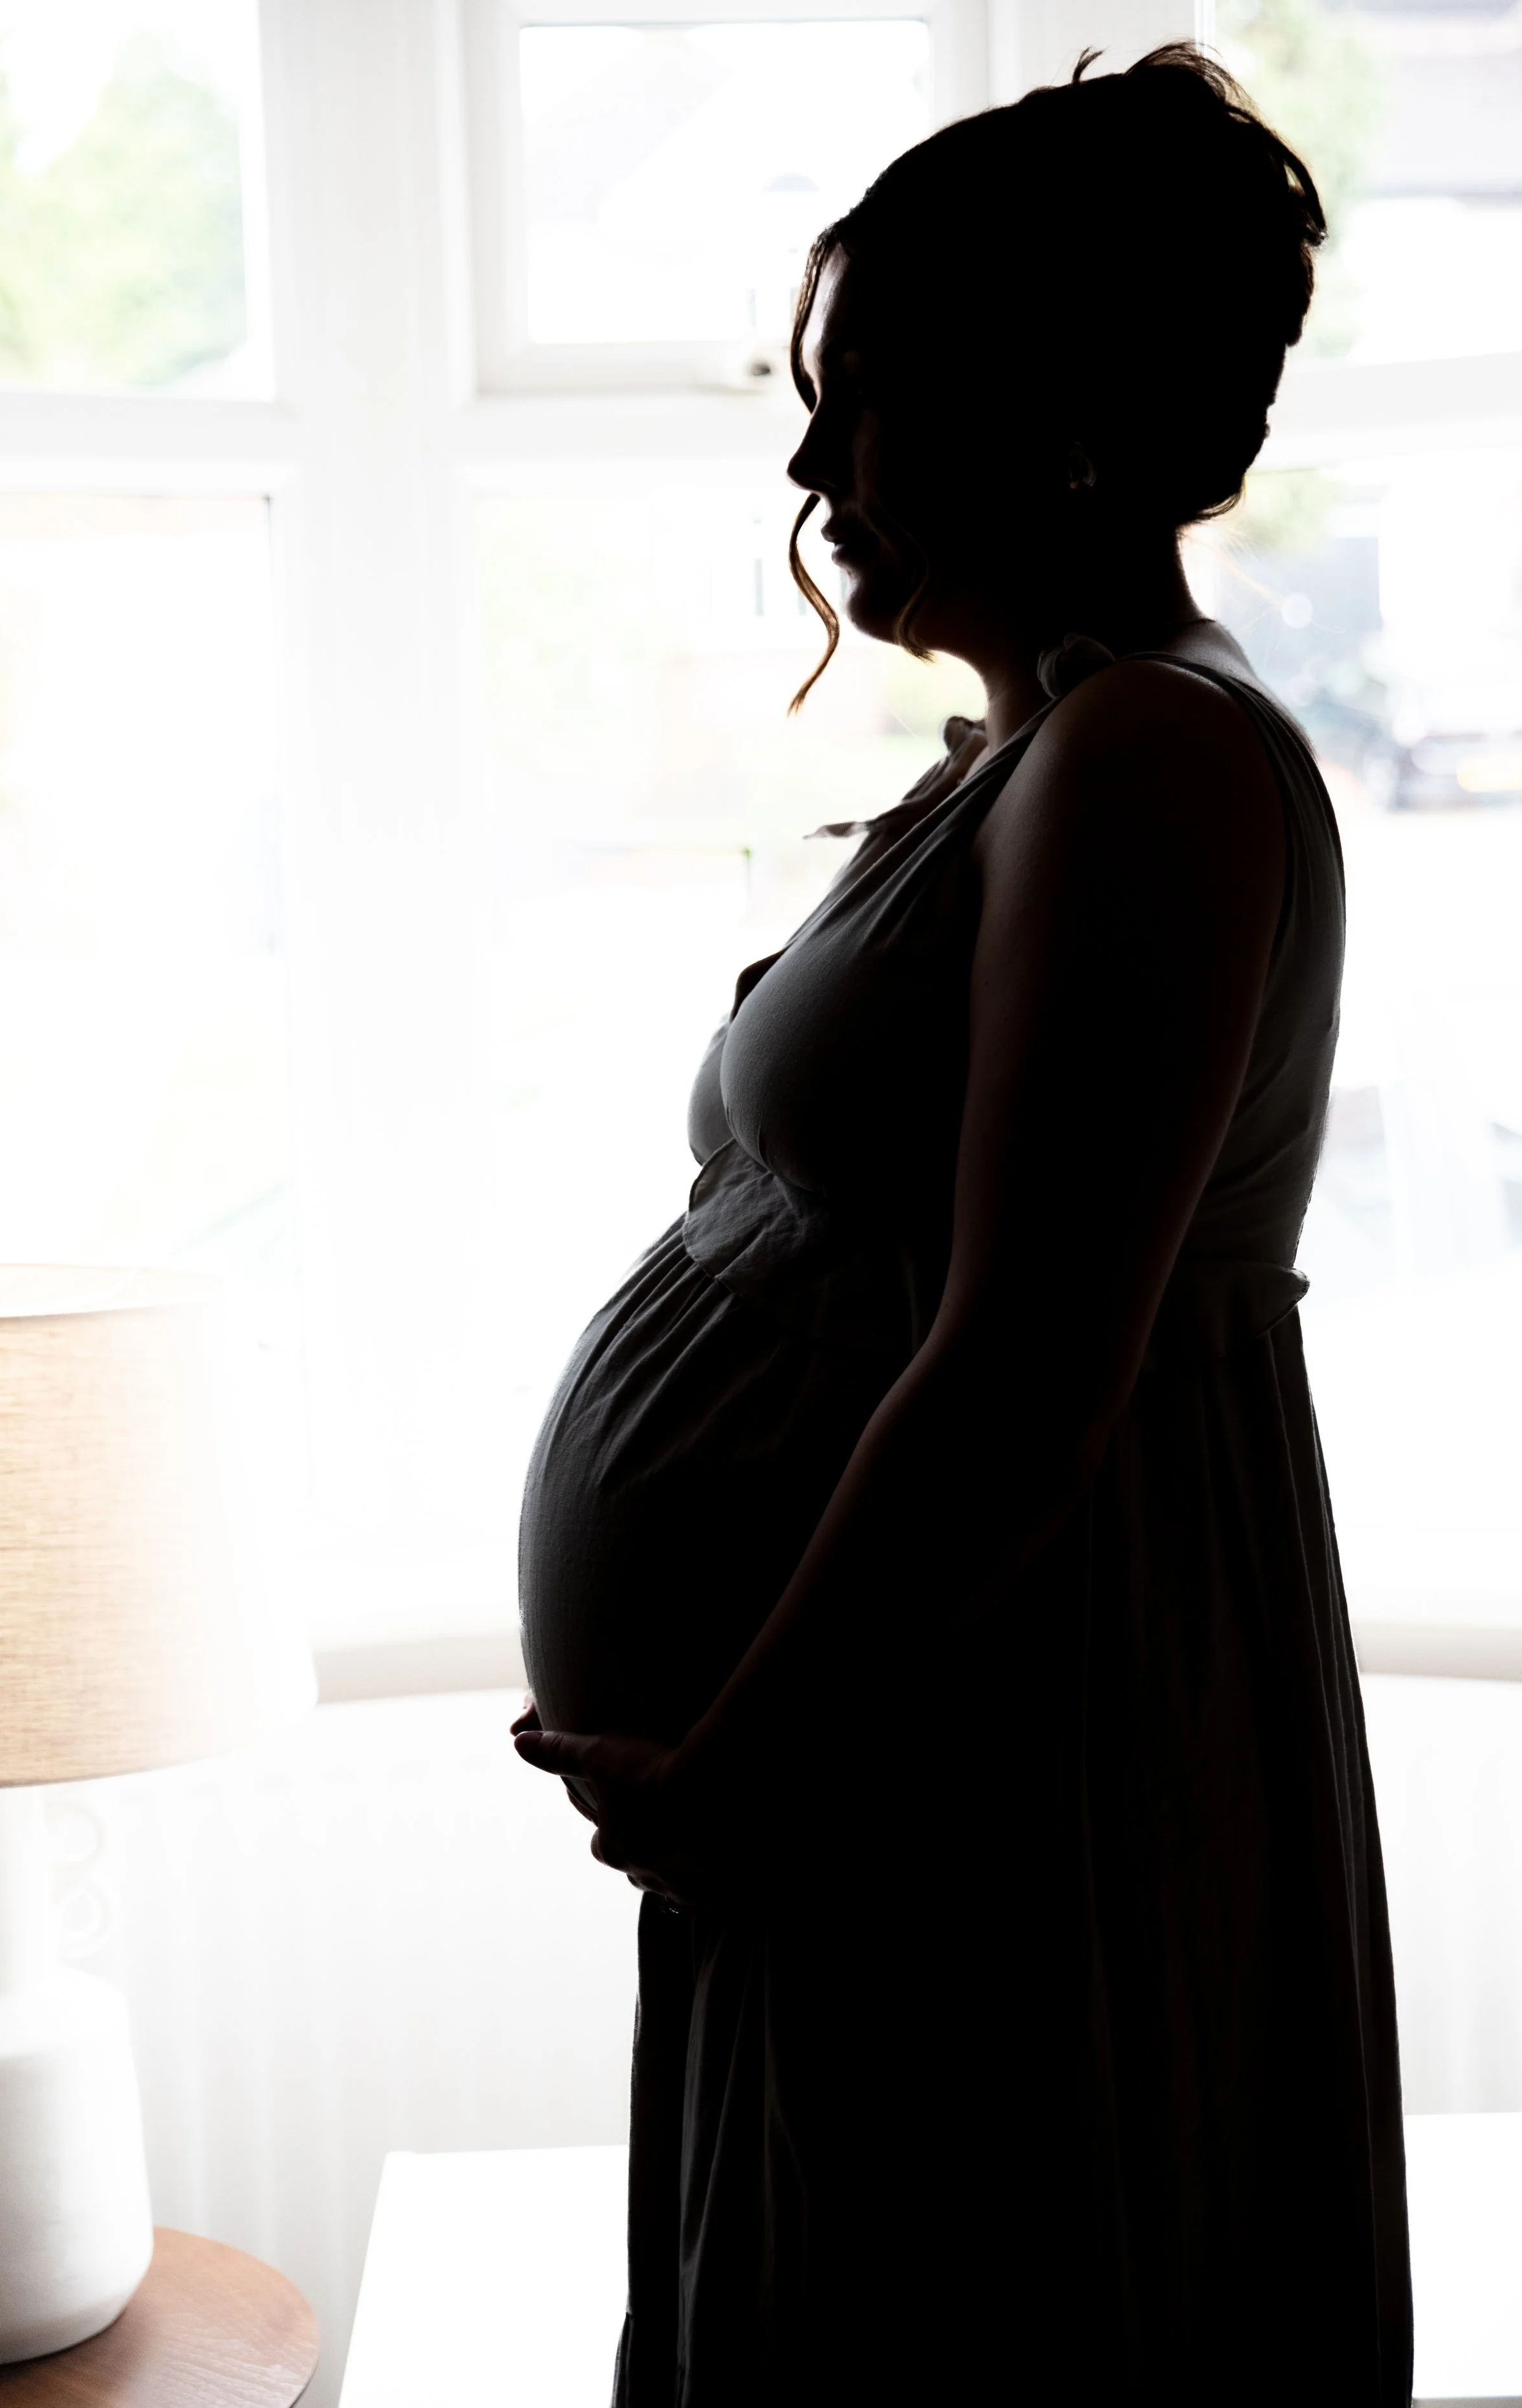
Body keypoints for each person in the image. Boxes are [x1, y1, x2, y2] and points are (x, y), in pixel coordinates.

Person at [513, 44, 1412, 2406]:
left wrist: (746, 1765)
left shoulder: (1151, 765)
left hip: (992, 1737)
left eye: (864, 401)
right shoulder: (1048, 748)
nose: (813, 471)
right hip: (898, 1745)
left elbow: (1027, 1359)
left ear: (1059, 421)